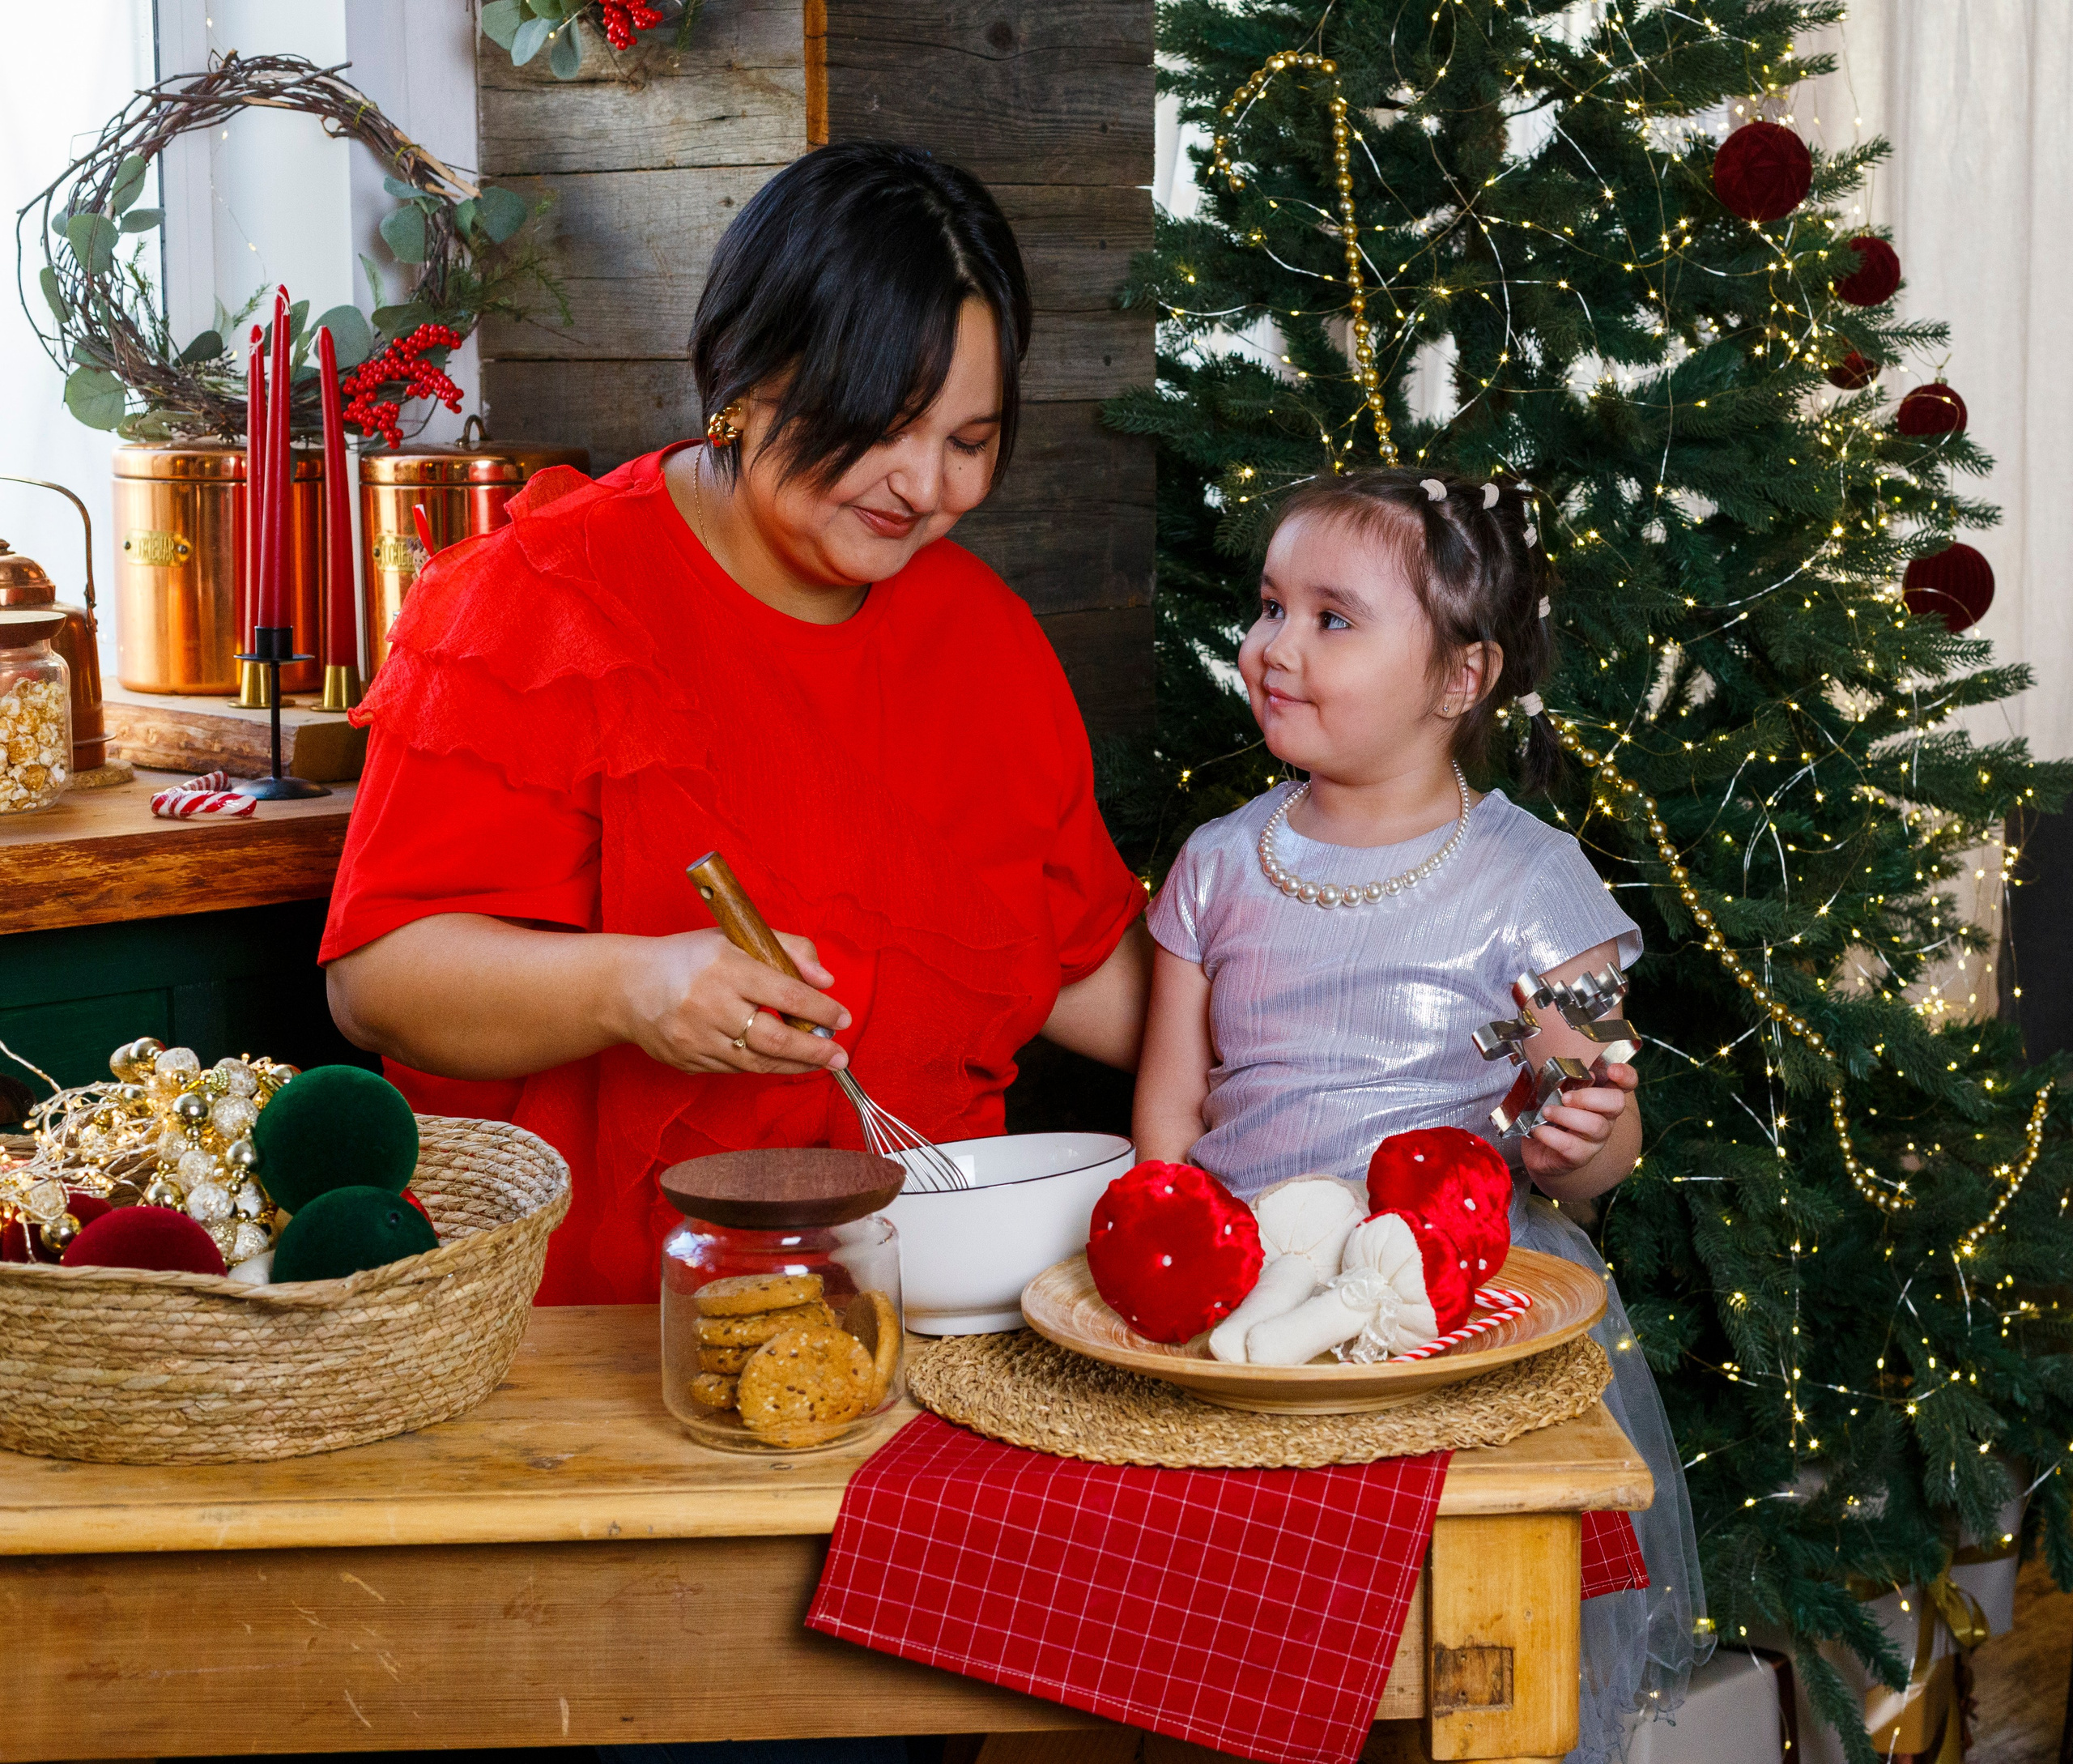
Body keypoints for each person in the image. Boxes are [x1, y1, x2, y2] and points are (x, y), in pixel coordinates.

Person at [322, 142, 1152, 1312]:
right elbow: (379, 980)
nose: (925, 487)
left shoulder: (985, 637)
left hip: (936, 1318)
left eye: (970, 443)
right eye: (882, 425)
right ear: (748, 375)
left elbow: (1081, 966)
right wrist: (632, 987)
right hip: (619, 1339)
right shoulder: (544, 598)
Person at [1130, 468, 1707, 1763]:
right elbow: (1168, 1110)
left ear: (1461, 676)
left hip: (1449, 1308)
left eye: (1333, 619)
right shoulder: (1220, 864)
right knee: (1231, 1658)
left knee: (1441, 1653)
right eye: (1271, 606)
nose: (1274, 646)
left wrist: (1582, 1136)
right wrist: (1153, 1258)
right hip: (1248, 1291)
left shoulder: (1530, 878)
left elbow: (1602, 1125)